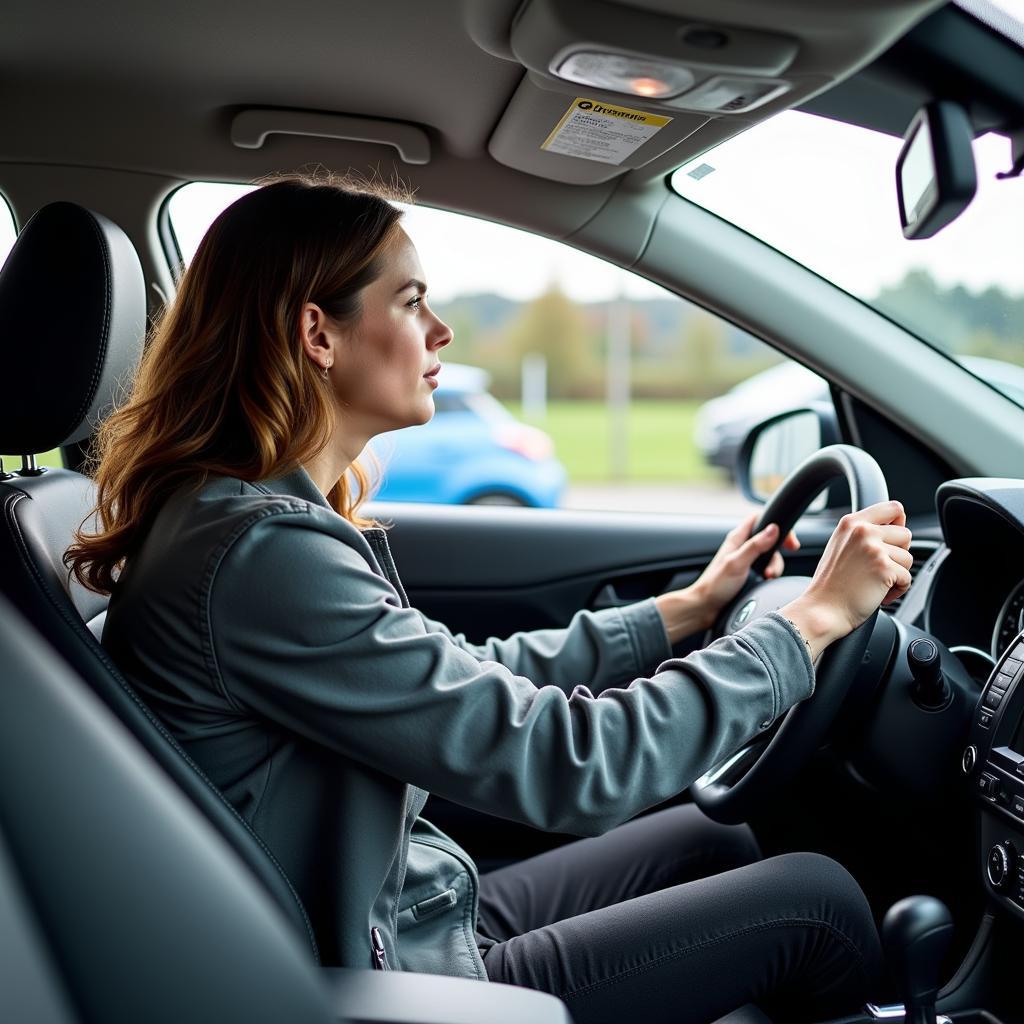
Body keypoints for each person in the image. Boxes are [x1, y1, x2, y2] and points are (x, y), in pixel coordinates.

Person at [67, 176, 913, 1024]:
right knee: (818, 904)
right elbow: (570, 763)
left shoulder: (232, 517)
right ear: (317, 333)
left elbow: (464, 674)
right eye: (411, 302)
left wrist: (687, 610)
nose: (442, 332)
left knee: (712, 839)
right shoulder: (263, 554)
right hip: (373, 976)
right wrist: (810, 623)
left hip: (400, 915)